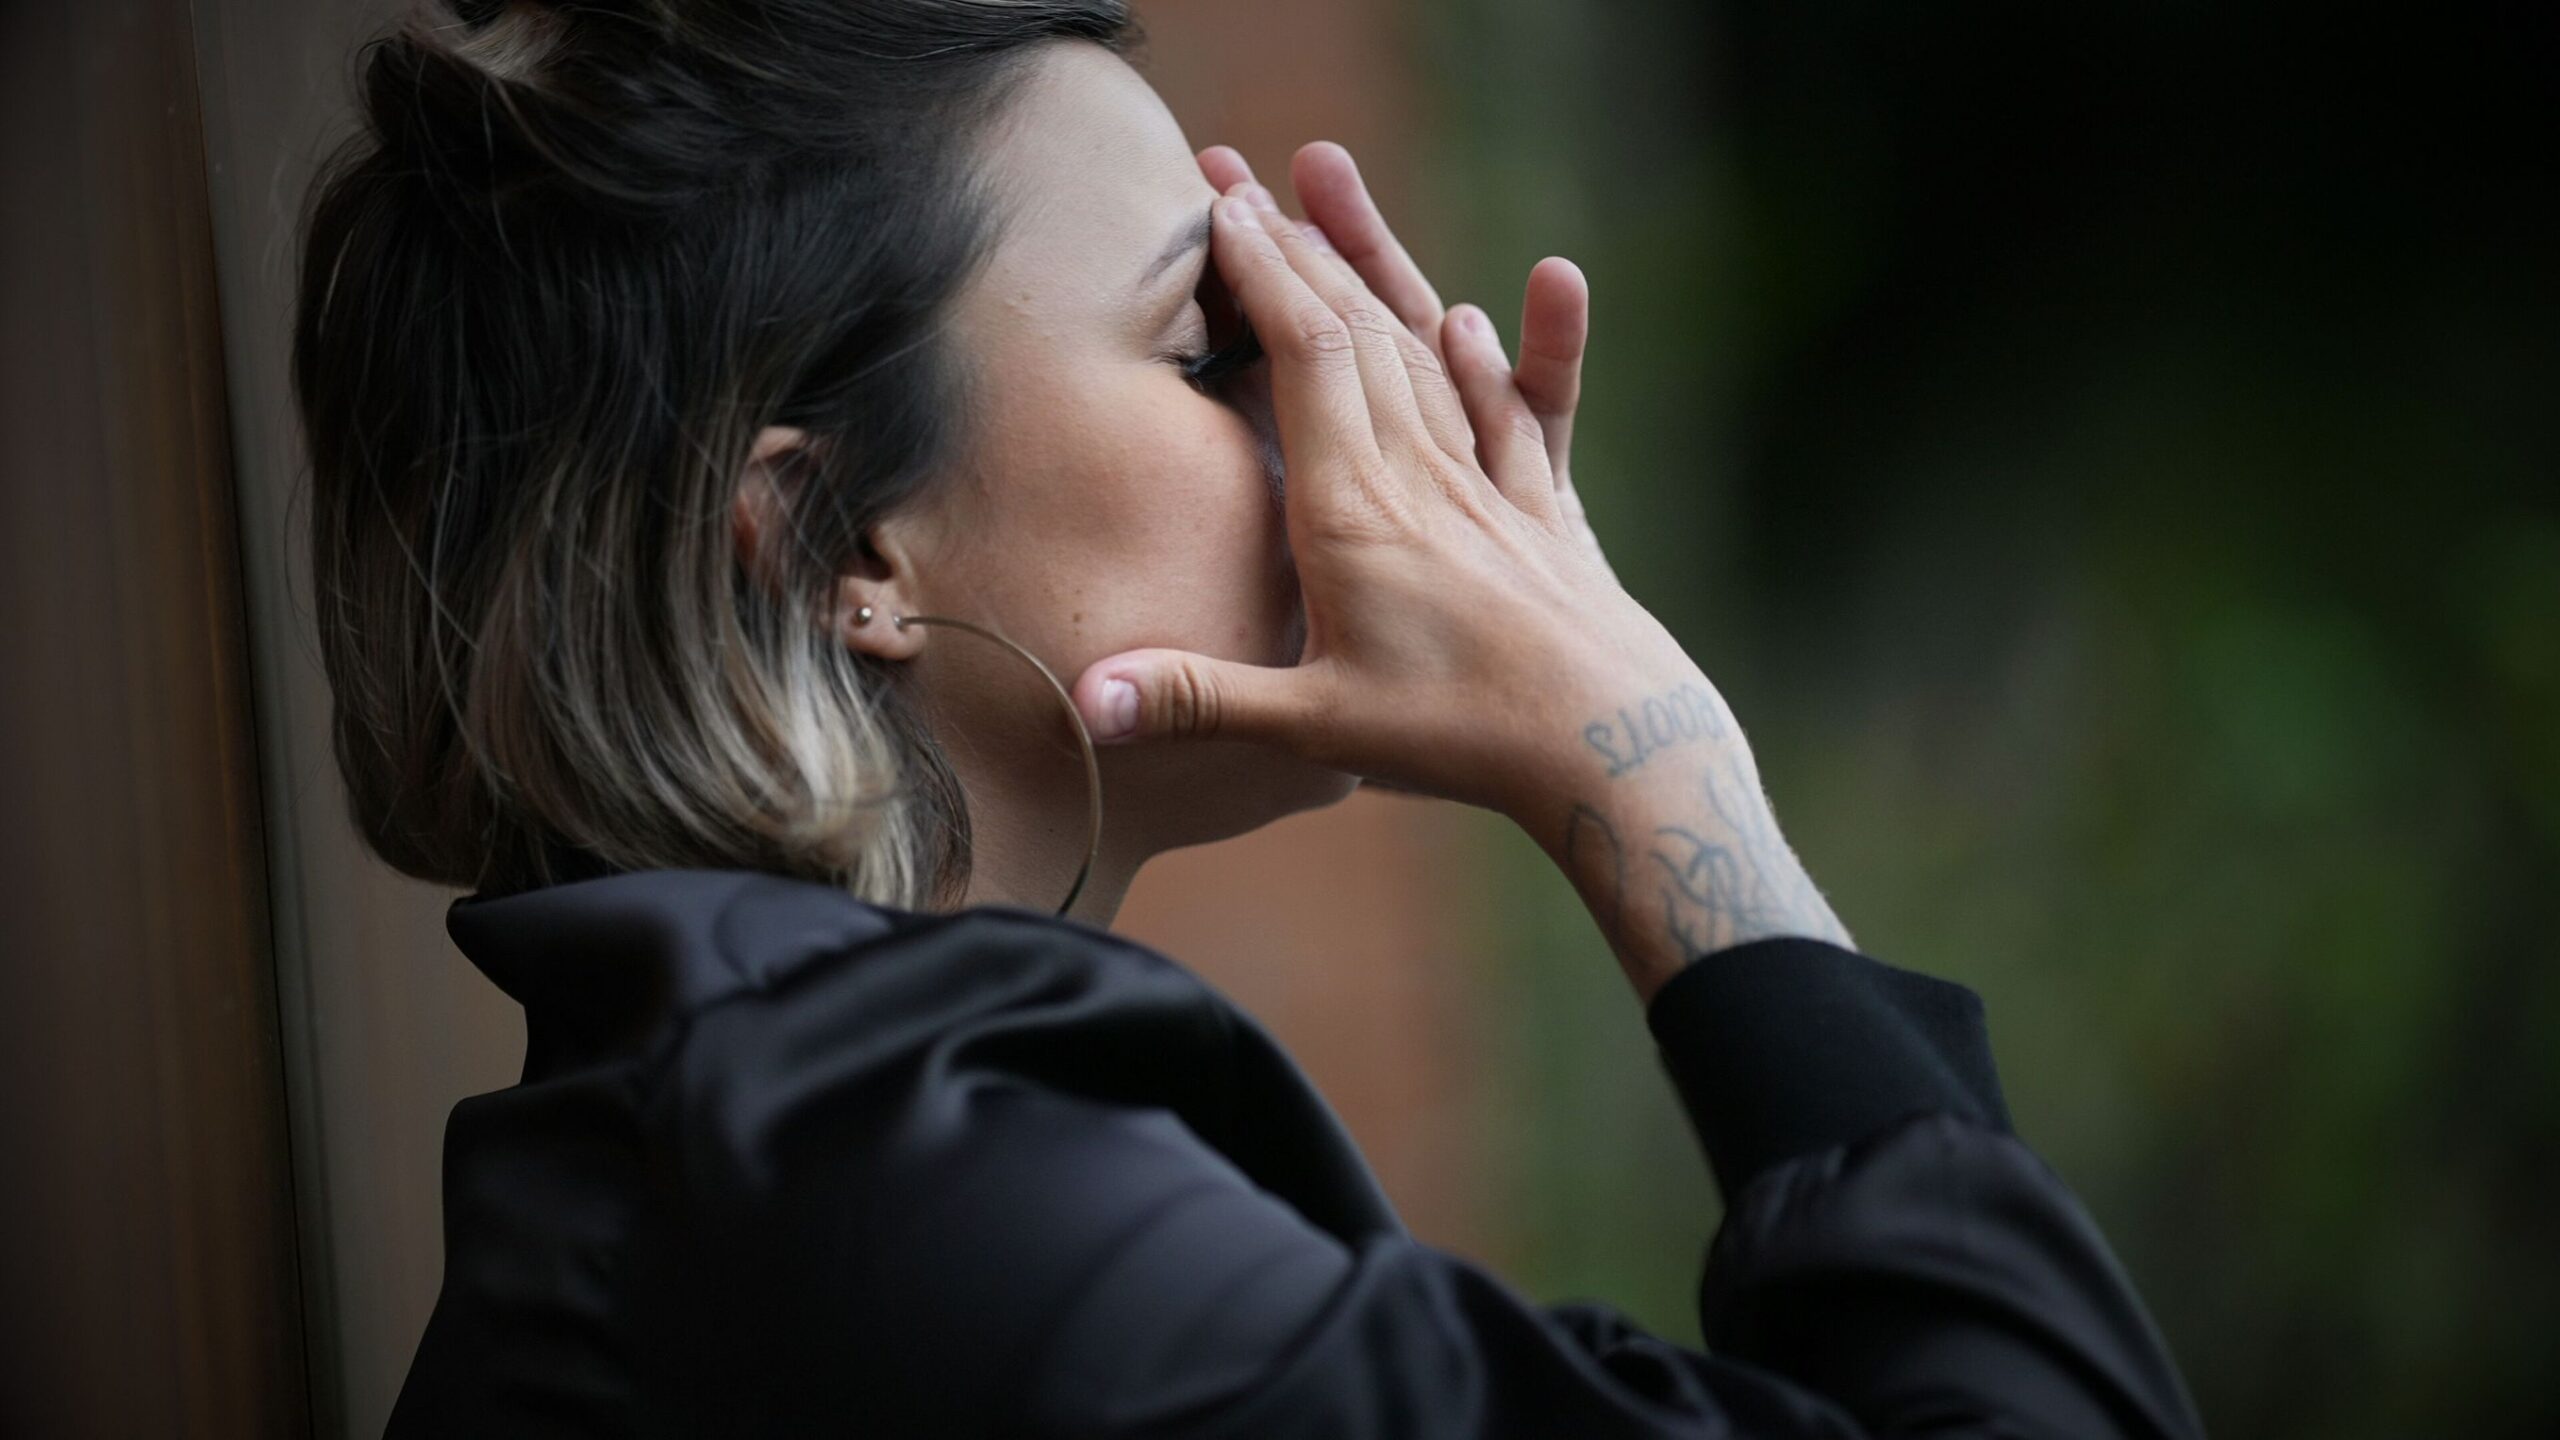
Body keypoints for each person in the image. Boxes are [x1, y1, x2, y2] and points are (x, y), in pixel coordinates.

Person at [295, 1, 2206, 1434]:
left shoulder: (803, 1150)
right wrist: (1654, 747)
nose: (1341, 402)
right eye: (1214, 344)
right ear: (824, 545)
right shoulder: (897, 1209)